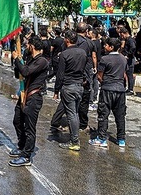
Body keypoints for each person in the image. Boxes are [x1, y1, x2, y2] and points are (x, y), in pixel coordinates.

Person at [9, 36, 49, 167]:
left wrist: (16, 60)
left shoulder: (42, 61)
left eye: (28, 45)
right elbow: (20, 73)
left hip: (33, 97)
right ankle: (21, 145)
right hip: (24, 95)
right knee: (17, 121)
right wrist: (17, 61)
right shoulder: (31, 59)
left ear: (32, 46)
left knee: (29, 128)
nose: (27, 47)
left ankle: (26, 155)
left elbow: (26, 72)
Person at [89, 38, 127, 148]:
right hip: (120, 90)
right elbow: (124, 74)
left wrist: (104, 82)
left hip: (107, 90)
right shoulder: (123, 59)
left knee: (103, 114)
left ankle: (101, 139)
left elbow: (100, 76)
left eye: (106, 45)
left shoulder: (105, 59)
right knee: (120, 116)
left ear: (111, 47)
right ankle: (121, 139)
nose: (104, 47)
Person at [53, 30, 87, 152]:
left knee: (71, 114)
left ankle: (74, 141)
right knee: (75, 113)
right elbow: (84, 69)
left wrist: (56, 90)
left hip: (69, 86)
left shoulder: (64, 54)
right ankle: (74, 139)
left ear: (67, 40)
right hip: (79, 86)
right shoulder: (83, 52)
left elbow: (60, 74)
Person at [76, 22, 97, 131]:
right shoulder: (89, 43)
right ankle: (82, 124)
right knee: (84, 100)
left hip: (72, 74)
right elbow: (93, 57)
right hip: (84, 74)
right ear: (86, 31)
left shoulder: (70, 41)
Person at [118, 26, 136, 96]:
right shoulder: (127, 40)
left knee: (129, 75)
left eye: (122, 35)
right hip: (126, 59)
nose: (122, 37)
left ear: (125, 33)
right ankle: (126, 87)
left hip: (129, 60)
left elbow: (133, 47)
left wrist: (128, 55)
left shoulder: (130, 40)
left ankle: (130, 89)